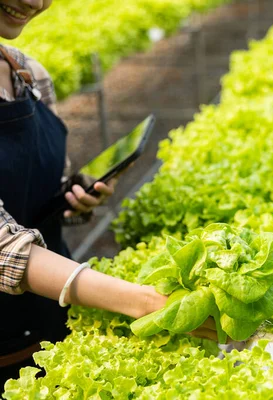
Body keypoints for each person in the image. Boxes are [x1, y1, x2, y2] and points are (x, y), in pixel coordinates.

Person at [0, 0, 217, 386]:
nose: (35, 2)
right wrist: (146, 302)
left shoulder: (27, 73)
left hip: (55, 313)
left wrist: (74, 198)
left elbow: (33, 196)